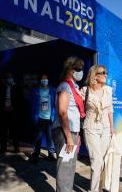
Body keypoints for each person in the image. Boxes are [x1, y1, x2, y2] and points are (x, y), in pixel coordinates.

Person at [51, 57, 85, 192]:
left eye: (81, 69)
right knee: (65, 168)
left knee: (70, 167)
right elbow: (62, 112)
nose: (80, 71)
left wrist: (77, 135)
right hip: (64, 132)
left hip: (72, 131)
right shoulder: (65, 86)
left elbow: (75, 113)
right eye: (77, 69)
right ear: (69, 70)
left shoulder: (75, 88)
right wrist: (70, 137)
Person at [80, 65, 114, 192]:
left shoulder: (108, 90)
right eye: (103, 72)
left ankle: (100, 186)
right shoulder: (85, 90)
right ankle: (93, 190)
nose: (106, 75)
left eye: (106, 72)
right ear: (95, 75)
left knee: (103, 159)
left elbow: (110, 109)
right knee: (96, 160)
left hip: (105, 127)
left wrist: (112, 127)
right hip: (91, 127)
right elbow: (77, 106)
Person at [29, 74, 56, 164]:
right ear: (40, 80)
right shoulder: (35, 91)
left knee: (50, 137)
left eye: (46, 79)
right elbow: (31, 103)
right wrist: (34, 116)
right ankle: (35, 154)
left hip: (49, 118)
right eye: (42, 79)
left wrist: (53, 116)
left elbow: (55, 104)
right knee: (38, 138)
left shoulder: (52, 90)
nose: (44, 80)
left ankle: (51, 154)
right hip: (39, 117)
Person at [0, 72, 22, 153]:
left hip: (13, 112)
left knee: (14, 131)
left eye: (10, 77)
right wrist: (2, 107)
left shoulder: (17, 88)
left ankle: (16, 148)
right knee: (3, 130)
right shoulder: (2, 87)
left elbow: (20, 100)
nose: (9, 79)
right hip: (4, 111)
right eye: (8, 77)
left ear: (13, 78)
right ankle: (3, 148)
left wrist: (13, 107)